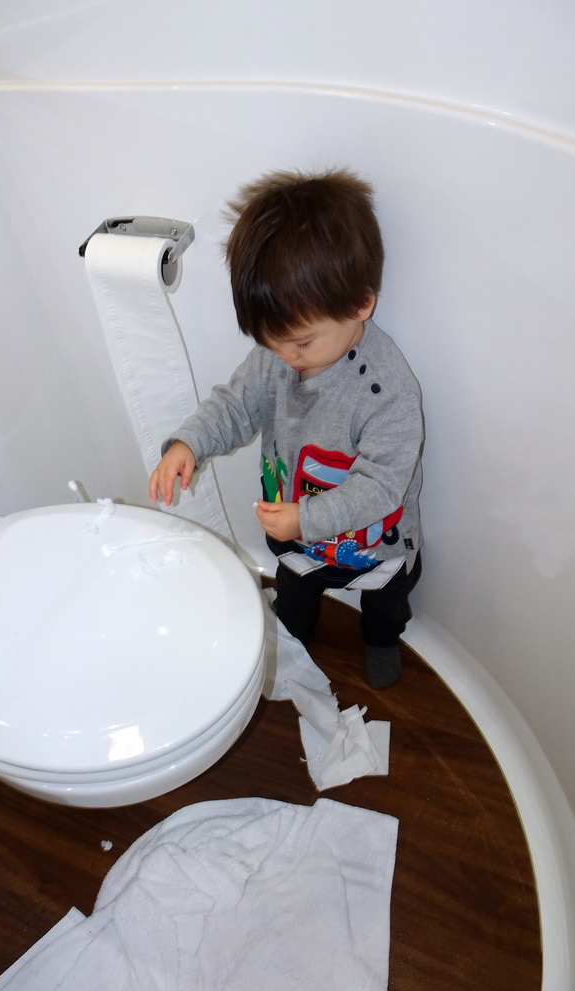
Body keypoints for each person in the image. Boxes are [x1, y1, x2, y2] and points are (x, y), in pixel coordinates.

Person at [149, 168, 423, 689]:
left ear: (361, 304)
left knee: (385, 603)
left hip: (373, 540)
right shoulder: (278, 356)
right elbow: (235, 405)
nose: (285, 358)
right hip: (298, 532)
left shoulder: (388, 393)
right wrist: (189, 442)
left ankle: (381, 640)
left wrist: (308, 517)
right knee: (295, 590)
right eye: (272, 343)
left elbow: (383, 487)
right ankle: (295, 628)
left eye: (300, 343)